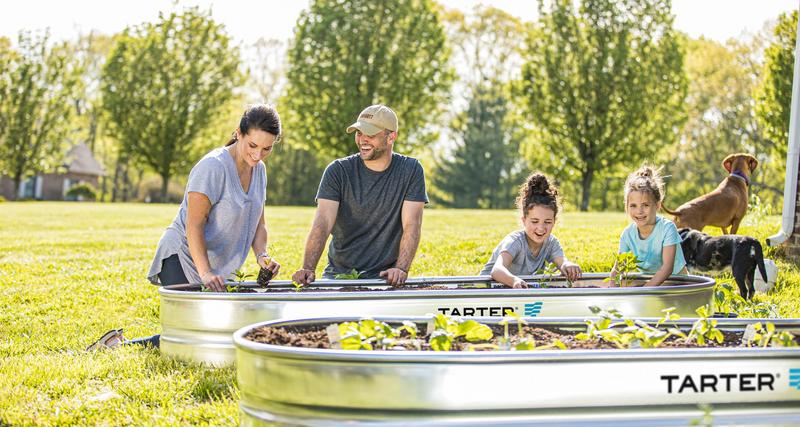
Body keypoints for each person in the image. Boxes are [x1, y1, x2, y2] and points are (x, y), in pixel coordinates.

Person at [88, 104, 282, 350]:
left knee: (227, 332)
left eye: (267, 149)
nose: (258, 155)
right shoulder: (213, 166)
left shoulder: (260, 171)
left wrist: (262, 256)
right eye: (252, 146)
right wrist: (205, 273)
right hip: (184, 258)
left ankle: (118, 345)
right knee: (196, 338)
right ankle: (115, 347)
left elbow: (259, 223)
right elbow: (194, 225)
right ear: (239, 133)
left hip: (216, 268)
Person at [291, 104, 427, 286]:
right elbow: (322, 222)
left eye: (370, 135)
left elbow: (412, 224)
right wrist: (308, 268)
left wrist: (401, 269)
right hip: (338, 275)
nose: (362, 139)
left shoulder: (411, 170)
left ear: (391, 137)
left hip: (386, 277)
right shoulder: (337, 171)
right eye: (359, 133)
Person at [480, 172, 582, 288]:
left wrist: (568, 265)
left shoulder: (551, 243)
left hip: (515, 293)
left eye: (547, 222)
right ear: (524, 220)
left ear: (554, 222)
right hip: (485, 291)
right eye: (535, 221)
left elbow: (562, 262)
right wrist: (514, 281)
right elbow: (497, 270)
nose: (541, 228)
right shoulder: (515, 241)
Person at [613, 164, 687, 286]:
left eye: (645, 205)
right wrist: (612, 289)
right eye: (633, 205)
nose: (639, 211)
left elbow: (667, 269)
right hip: (651, 283)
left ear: (657, 205)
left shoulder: (667, 228)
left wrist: (644, 291)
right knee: (625, 285)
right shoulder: (627, 234)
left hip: (676, 283)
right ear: (626, 206)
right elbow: (617, 270)